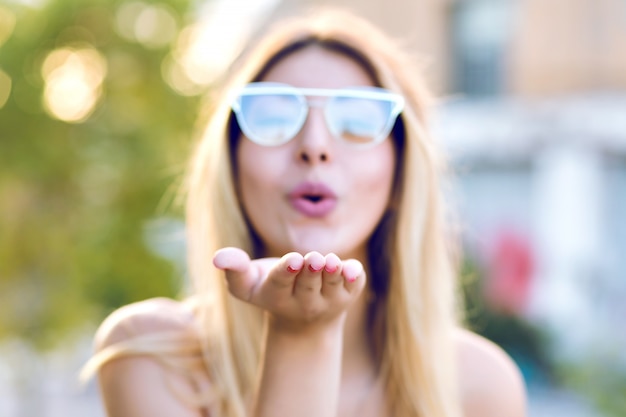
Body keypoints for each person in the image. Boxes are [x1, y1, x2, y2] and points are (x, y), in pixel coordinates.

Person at [82, 8, 527, 417]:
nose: (314, 145)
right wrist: (301, 335)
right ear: (231, 163)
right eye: (274, 116)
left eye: (357, 120)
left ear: (401, 168)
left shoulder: (480, 385)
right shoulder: (153, 355)